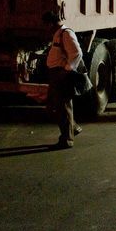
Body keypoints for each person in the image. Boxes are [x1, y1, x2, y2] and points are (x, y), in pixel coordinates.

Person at [42, 10, 83, 149]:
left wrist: (66, 70)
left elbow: (77, 53)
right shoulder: (58, 34)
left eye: (46, 25)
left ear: (51, 23)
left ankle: (67, 140)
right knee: (55, 105)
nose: (45, 28)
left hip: (61, 74)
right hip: (56, 73)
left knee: (63, 106)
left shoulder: (66, 33)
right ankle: (73, 128)